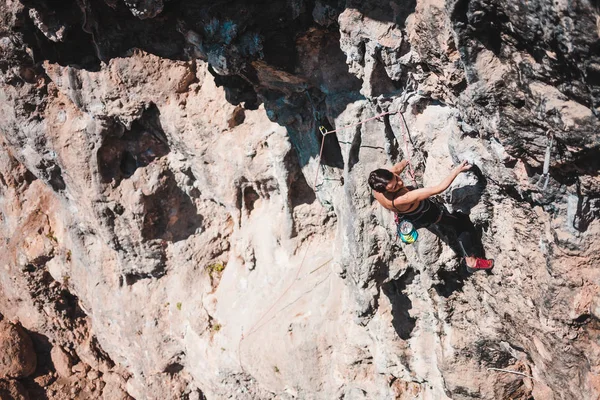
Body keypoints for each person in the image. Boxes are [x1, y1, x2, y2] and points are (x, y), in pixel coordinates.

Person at [368, 160, 494, 272]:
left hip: (411, 212)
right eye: (394, 187)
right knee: (461, 224)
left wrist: (406, 162)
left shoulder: (379, 185)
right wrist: (457, 170)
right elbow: (438, 189)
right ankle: (471, 262)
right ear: (385, 191)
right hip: (428, 213)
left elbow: (396, 169)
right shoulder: (402, 198)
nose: (400, 183)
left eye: (396, 179)